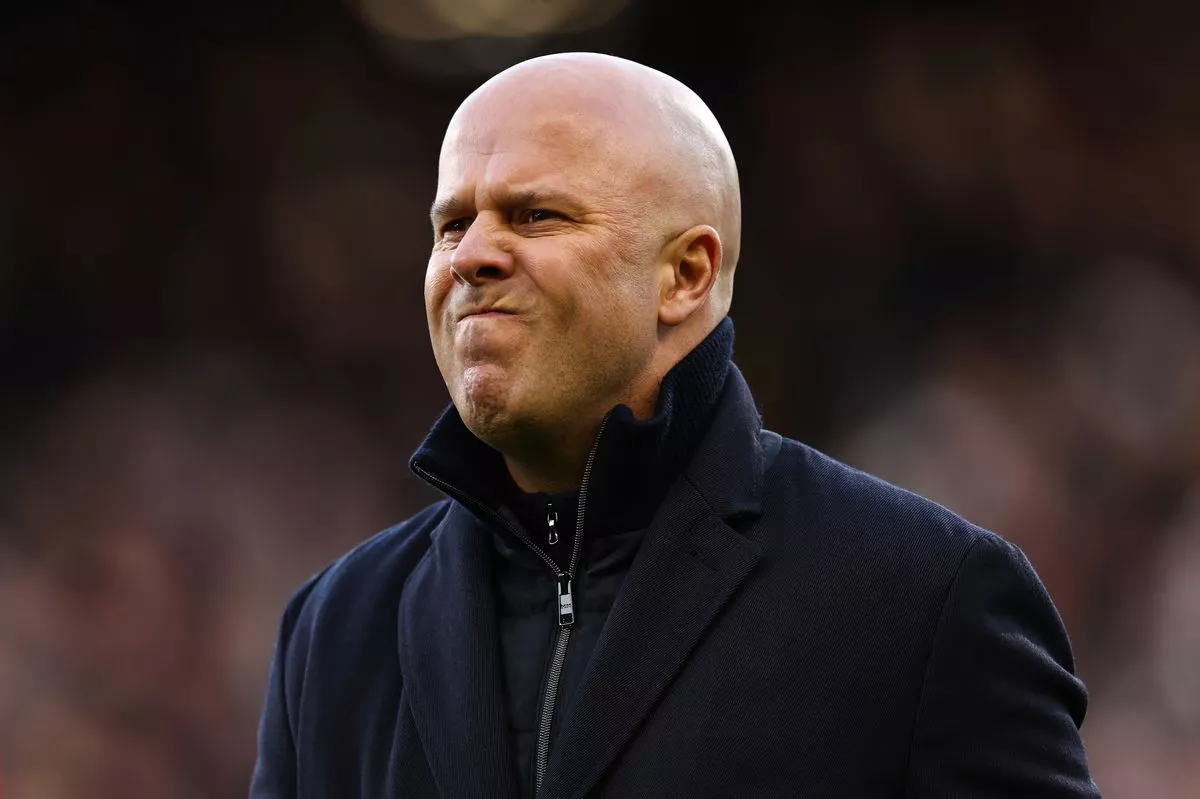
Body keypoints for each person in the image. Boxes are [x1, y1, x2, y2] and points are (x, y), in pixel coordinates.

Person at [250, 52, 1101, 798]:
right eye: (452, 223)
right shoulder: (336, 628)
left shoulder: (919, 599)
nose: (472, 254)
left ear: (686, 274)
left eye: (535, 214)